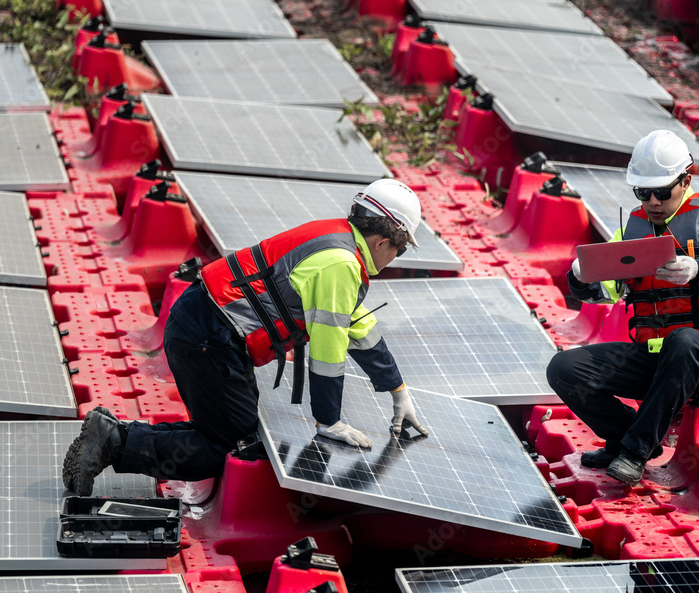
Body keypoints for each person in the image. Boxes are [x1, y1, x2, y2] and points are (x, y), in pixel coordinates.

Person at [64, 179, 429, 496]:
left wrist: (398, 391)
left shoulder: (335, 238)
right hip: (208, 339)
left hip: (202, 323)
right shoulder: (343, 265)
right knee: (231, 445)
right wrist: (329, 421)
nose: (394, 259)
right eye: (399, 250)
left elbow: (357, 324)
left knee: (228, 426)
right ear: (383, 241)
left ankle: (111, 435)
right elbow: (329, 351)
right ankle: (113, 442)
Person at [546, 130, 699, 487]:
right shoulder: (634, 229)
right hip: (653, 360)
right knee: (564, 368)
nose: (652, 201)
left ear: (685, 180)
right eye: (643, 193)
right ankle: (624, 436)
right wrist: (579, 277)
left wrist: (698, 269)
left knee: (683, 342)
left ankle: (635, 451)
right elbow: (603, 290)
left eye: (662, 191)